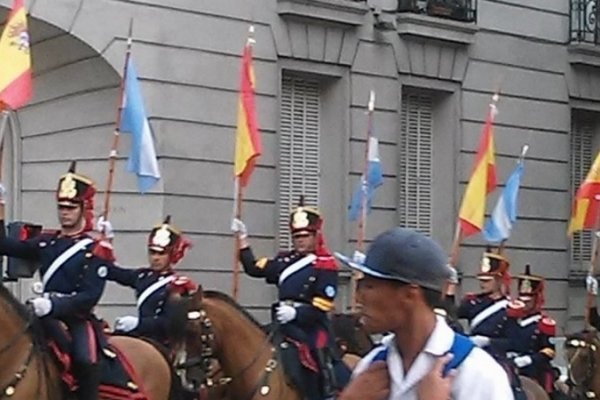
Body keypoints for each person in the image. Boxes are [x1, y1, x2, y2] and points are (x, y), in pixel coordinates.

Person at [336, 227, 514, 400]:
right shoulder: (370, 369)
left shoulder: (477, 373)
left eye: (369, 286)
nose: (358, 297)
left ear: (409, 294)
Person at [0, 163, 114, 400]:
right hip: (43, 316)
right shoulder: (48, 242)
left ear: (84, 209)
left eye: (71, 207)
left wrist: (54, 305)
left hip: (76, 320)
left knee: (85, 359)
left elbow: (89, 296)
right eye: (62, 207)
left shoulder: (95, 249)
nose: (65, 212)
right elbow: (7, 246)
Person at [231, 198, 348, 400]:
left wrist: (297, 313)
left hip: (310, 325)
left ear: (315, 236)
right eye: (296, 236)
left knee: (317, 357)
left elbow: (323, 304)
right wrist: (243, 239)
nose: (300, 240)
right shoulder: (285, 261)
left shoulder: (325, 265)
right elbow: (253, 268)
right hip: (282, 323)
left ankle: (325, 392)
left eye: (305, 236)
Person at [101, 216, 196, 347]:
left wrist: (138, 323)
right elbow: (112, 272)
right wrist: (106, 242)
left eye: (161, 254)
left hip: (161, 344)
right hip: (140, 338)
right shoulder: (142, 276)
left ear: (171, 255)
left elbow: (169, 323)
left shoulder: (177, 285)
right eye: (152, 253)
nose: (155, 258)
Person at [505, 265, 557, 395]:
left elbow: (549, 351)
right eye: (522, 300)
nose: (525, 304)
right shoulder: (511, 320)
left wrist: (529, 359)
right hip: (511, 366)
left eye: (528, 301)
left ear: (536, 299)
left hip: (534, 372)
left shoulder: (544, 323)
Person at [455, 248, 511, 360]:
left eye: (487, 281)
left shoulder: (510, 308)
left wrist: (489, 341)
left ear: (499, 280)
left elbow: (514, 342)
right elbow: (451, 314)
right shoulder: (472, 302)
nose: (482, 284)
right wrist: (450, 288)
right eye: (481, 280)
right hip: (473, 355)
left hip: (496, 358)